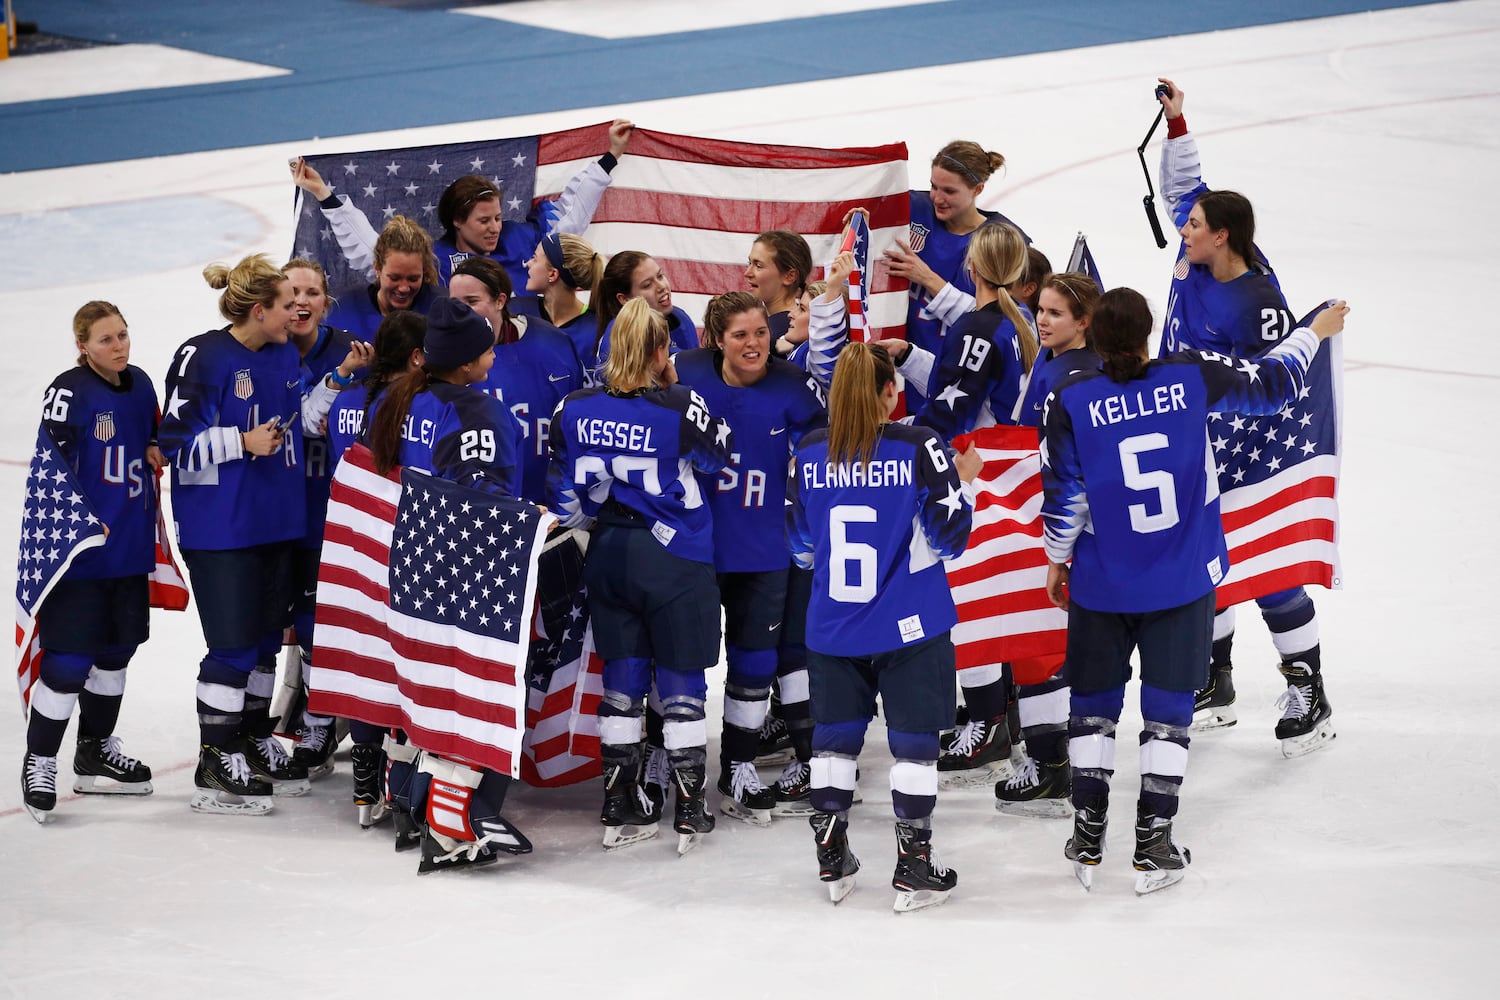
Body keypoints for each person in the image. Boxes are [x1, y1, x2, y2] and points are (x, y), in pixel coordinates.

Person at [1039, 287, 1348, 894]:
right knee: (1169, 715)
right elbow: (1277, 383)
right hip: (1182, 580)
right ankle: (1153, 842)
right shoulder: (1189, 375)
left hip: (1103, 582)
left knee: (1093, 709)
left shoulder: (1071, 399)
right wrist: (1315, 329)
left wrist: (1057, 563)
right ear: (1148, 336)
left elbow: (1066, 498)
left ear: (1095, 340)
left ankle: (1088, 831)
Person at [1155, 78, 1335, 756]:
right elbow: (1184, 186)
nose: (1184, 229)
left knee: (1267, 567)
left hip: (1240, 448)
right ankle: (1215, 680)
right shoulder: (1192, 255)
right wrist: (1177, 123)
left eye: (1195, 227)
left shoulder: (1257, 300)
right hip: (1184, 433)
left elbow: (1270, 384)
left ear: (1221, 237)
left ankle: (1308, 688)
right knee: (1204, 561)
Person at [788, 342, 982, 911]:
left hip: (832, 624)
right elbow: (952, 538)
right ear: (890, 393)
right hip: (910, 623)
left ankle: (831, 859)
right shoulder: (920, 445)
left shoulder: (807, 451)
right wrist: (965, 481)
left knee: (834, 742)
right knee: (914, 744)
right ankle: (914, 868)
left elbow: (800, 549)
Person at [547, 297, 734, 855]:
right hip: (675, 556)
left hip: (608, 552)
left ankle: (618, 802)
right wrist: (672, 385)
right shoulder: (681, 404)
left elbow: (563, 481)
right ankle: (690, 809)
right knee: (681, 685)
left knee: (623, 683)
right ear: (660, 351)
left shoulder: (572, 406)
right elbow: (718, 458)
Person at [159, 254, 333, 814]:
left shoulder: (283, 353)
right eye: (287, 305)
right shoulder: (202, 357)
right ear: (260, 310)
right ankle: (215, 758)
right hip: (222, 529)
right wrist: (239, 442)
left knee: (261, 648)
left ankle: (253, 738)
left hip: (276, 522)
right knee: (233, 649)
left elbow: (294, 419)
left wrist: (335, 386)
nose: (297, 311)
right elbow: (174, 445)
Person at [364, 297, 530, 872]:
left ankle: (409, 805)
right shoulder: (480, 412)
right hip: (459, 572)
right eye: (485, 345)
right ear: (463, 361)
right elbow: (482, 505)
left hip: (403, 563)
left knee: (415, 686)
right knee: (475, 693)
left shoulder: (397, 399)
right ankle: (454, 825)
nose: (493, 352)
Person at [672, 292, 826, 825]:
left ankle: (737, 764)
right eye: (740, 335)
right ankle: (658, 760)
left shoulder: (795, 386)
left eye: (761, 332)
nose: (754, 343)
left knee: (755, 660)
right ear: (716, 339)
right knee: (678, 660)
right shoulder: (683, 372)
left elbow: (822, 461)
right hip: (694, 546)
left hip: (766, 549)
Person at [20, 302, 163, 823]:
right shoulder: (67, 391)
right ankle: (39, 759)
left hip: (128, 549)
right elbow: (49, 469)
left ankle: (94, 749)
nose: (119, 346)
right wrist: (77, 523)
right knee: (68, 661)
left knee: (116, 653)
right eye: (106, 340)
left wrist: (153, 446)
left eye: (123, 335)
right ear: (82, 346)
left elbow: (152, 431)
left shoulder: (142, 383)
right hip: (81, 555)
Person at [290, 120, 635, 291]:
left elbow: (572, 217)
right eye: (484, 220)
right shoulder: (430, 259)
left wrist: (610, 156)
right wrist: (325, 195)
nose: (495, 227)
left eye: (498, 217)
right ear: (457, 221)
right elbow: (371, 254)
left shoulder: (525, 240)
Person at [994, 271, 1100, 818]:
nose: (1043, 318)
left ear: (1084, 322)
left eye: (1056, 313)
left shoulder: (1063, 376)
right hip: (1074, 523)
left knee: (1039, 644)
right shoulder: (1069, 365)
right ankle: (1055, 758)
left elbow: (1031, 449)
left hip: (1058, 522)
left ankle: (1051, 766)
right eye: (1043, 310)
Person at [322, 309, 426, 830]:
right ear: (413, 356)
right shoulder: (409, 407)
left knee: (363, 655)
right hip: (397, 543)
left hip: (349, 545)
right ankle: (397, 775)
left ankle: (364, 786)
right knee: (399, 661)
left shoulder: (344, 401)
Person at [281, 258, 372, 777]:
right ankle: (257, 729)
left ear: (326, 301)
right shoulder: (258, 349)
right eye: (292, 292)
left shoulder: (351, 353)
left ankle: (318, 722)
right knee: (273, 623)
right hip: (270, 510)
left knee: (317, 622)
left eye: (312, 292)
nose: (301, 302)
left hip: (328, 509)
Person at [449, 253, 585, 504]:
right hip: (474, 515)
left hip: (550, 510)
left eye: (471, 301)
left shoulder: (555, 346)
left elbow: (577, 430)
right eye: (454, 302)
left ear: (500, 300)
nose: (460, 312)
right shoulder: (442, 359)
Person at [880, 141, 1028, 371]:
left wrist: (928, 278)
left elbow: (1003, 325)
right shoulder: (913, 209)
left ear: (977, 189)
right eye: (934, 186)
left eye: (949, 191)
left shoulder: (999, 242)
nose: (937, 198)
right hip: (898, 362)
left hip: (957, 373)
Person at [325, 215, 444, 340]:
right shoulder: (343, 311)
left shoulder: (443, 311)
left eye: (413, 279)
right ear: (377, 267)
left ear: (423, 271)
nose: (404, 288)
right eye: (394, 278)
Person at [510, 232, 604, 385]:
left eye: (535, 258)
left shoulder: (598, 330)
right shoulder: (514, 311)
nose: (528, 263)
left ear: (552, 274)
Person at [592, 251, 700, 371]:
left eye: (660, 276)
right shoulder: (619, 338)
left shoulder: (679, 317)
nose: (662, 286)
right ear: (624, 299)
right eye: (647, 285)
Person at [744, 229, 813, 342]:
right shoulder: (771, 326)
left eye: (759, 266)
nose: (747, 273)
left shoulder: (782, 333)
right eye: (749, 263)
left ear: (789, 276)